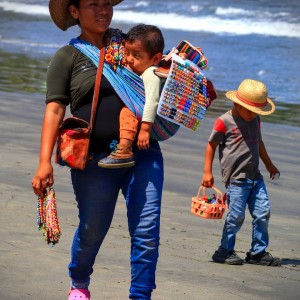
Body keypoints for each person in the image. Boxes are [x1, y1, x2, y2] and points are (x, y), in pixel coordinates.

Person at [32, 1, 165, 299]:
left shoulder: (129, 46)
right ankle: (79, 282)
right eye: (94, 4)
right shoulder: (67, 56)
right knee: (92, 230)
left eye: (107, 3)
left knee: (146, 232)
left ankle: (140, 295)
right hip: (93, 158)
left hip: (142, 152)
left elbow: (161, 71)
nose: (104, 9)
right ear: (75, 11)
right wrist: (44, 162)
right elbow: (54, 111)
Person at [201, 79, 281, 266]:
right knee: (236, 216)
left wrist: (269, 165)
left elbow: (259, 143)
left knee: (262, 213)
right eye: (250, 111)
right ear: (237, 104)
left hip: (256, 177)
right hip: (236, 179)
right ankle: (224, 250)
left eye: (256, 112)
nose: (253, 115)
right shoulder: (224, 121)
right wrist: (207, 172)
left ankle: (257, 253)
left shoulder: (255, 120)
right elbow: (211, 146)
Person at [98, 24, 164, 168]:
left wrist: (145, 130)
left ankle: (124, 150)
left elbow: (152, 102)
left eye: (136, 56)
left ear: (155, 58)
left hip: (144, 117)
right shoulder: (141, 68)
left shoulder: (151, 73)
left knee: (127, 112)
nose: (129, 59)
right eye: (127, 53)